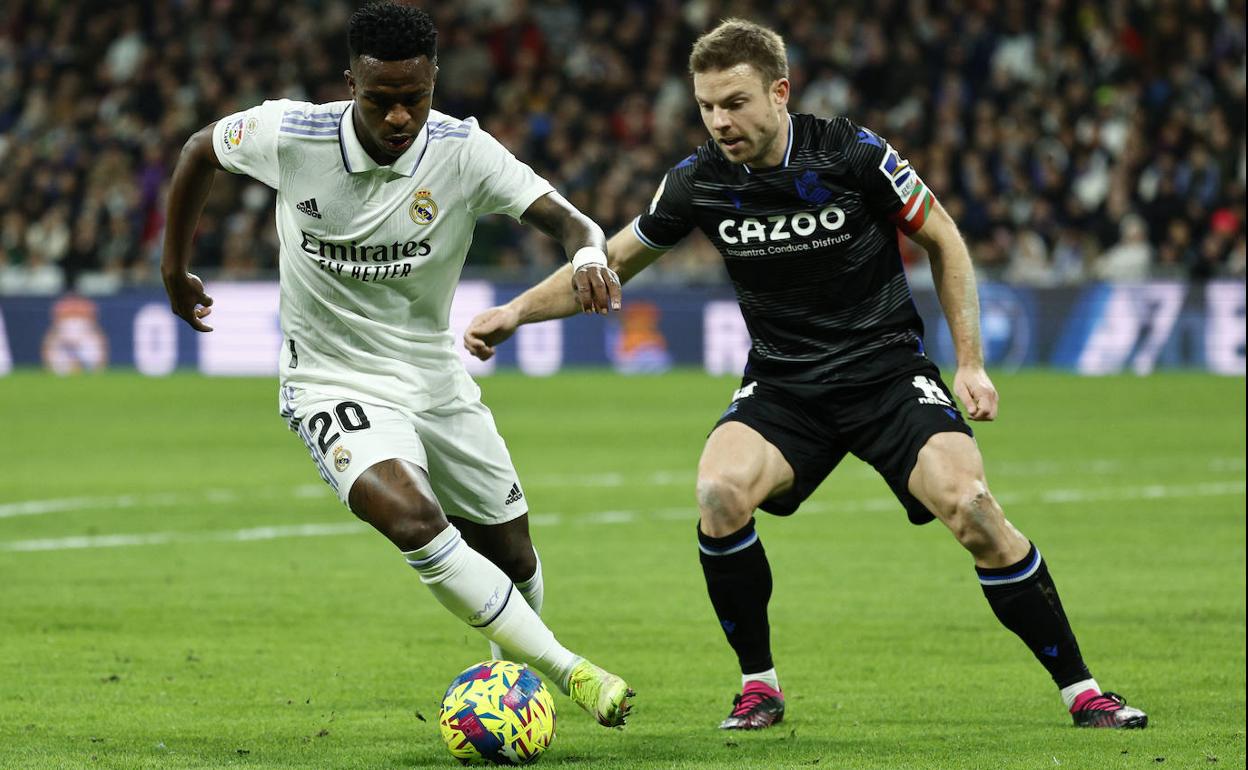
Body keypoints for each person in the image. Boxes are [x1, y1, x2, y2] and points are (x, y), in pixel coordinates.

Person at [465, 18, 1147, 731]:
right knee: (719, 491)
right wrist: (514, 312)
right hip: (786, 384)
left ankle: (1083, 692)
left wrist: (969, 362)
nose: (719, 121)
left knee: (972, 507)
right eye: (706, 105)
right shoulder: (699, 181)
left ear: (780, 92)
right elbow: (607, 262)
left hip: (886, 373)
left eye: (735, 102)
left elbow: (942, 236)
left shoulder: (850, 153)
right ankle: (758, 686)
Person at [160, 1, 632, 729]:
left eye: (415, 98)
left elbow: (570, 220)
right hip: (328, 378)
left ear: (435, 80)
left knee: (513, 554)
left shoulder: (464, 150)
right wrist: (173, 267)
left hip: (433, 378)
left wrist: (590, 253)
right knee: (412, 520)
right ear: (350, 81)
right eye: (380, 101)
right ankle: (570, 672)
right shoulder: (290, 132)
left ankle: (508, 691)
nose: (400, 118)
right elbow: (199, 149)